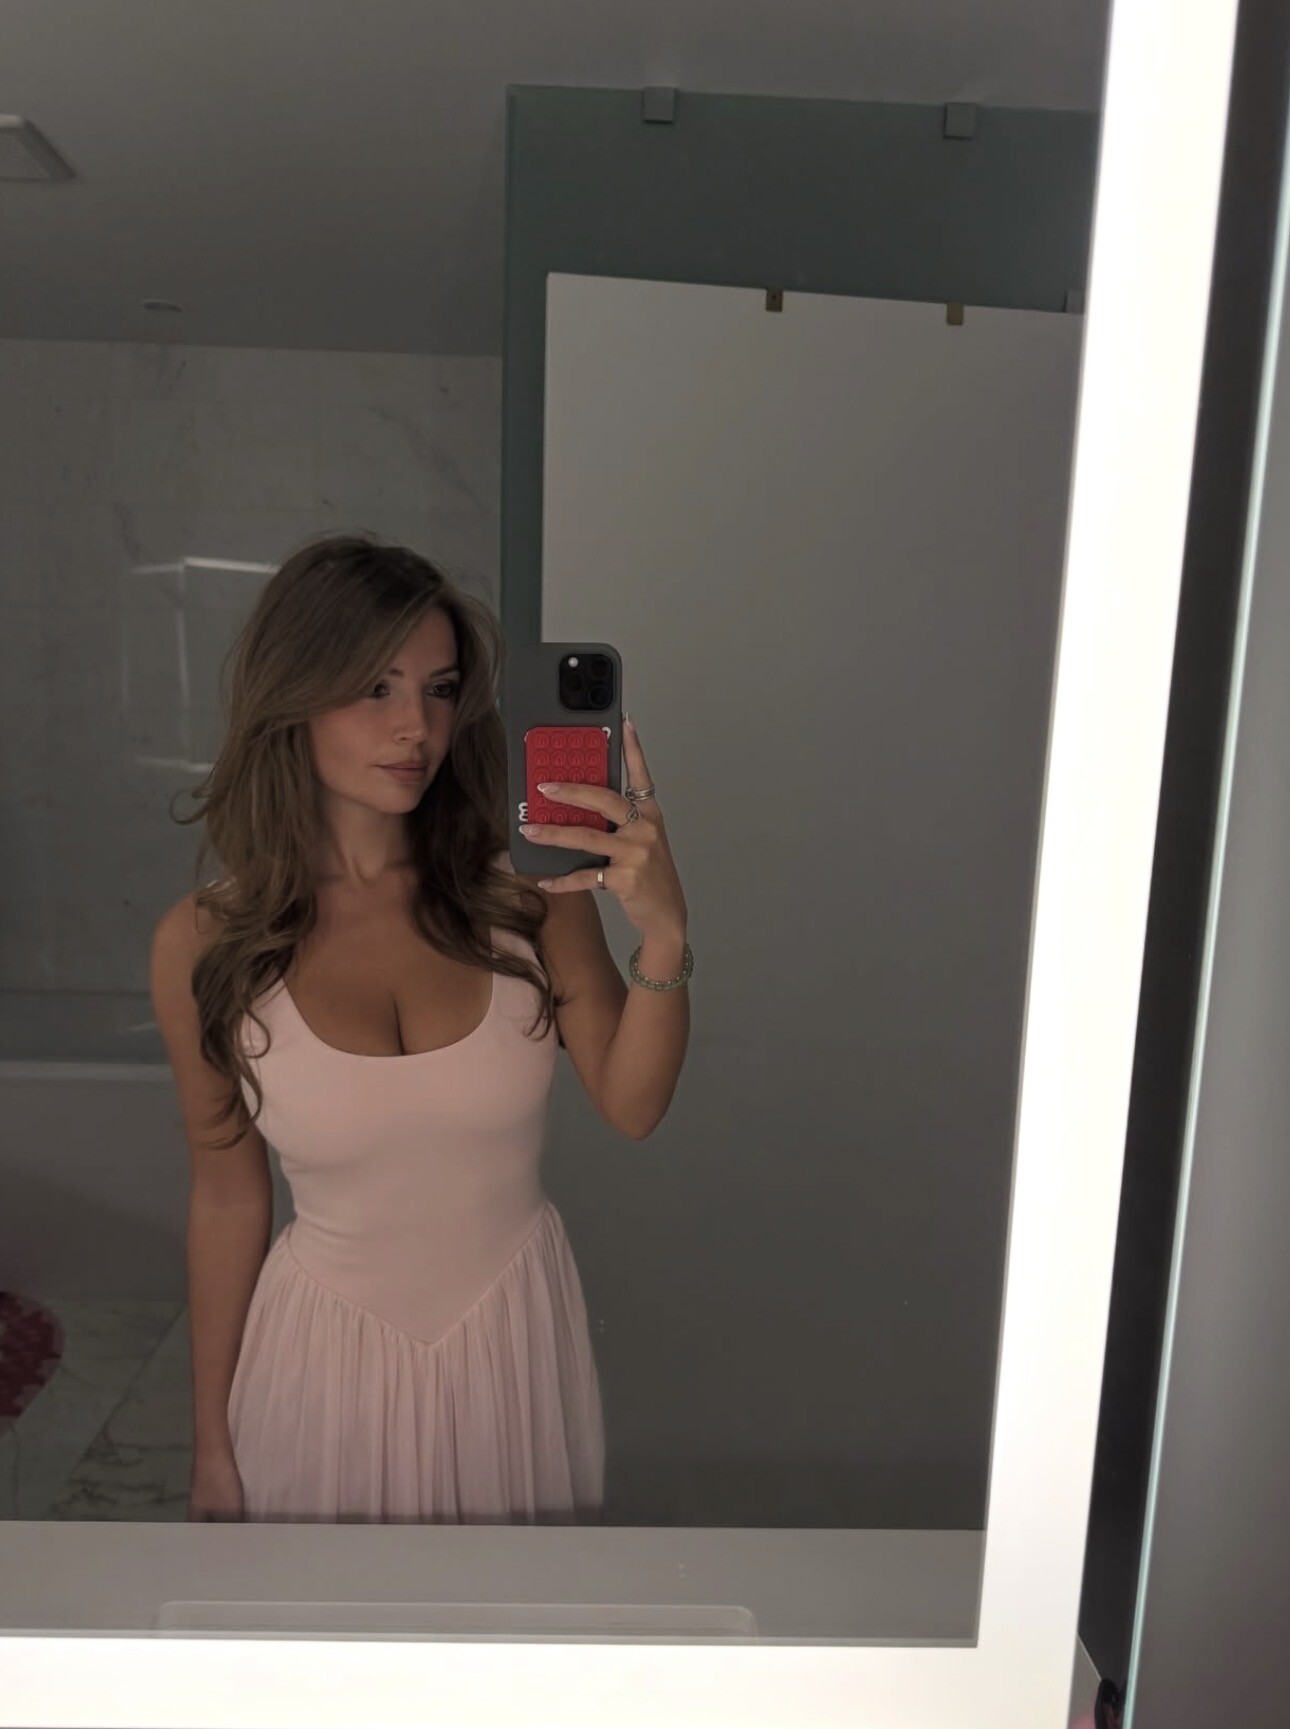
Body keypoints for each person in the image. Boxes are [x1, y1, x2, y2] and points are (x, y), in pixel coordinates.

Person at [149, 533, 691, 1524]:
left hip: (513, 1347)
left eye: (439, 690)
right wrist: (213, 1444)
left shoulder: (526, 896)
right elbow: (226, 1195)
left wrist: (663, 932)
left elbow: (634, 1103)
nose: (416, 728)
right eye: (376, 688)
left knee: (517, 1622)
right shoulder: (205, 942)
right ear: (293, 695)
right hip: (317, 1362)